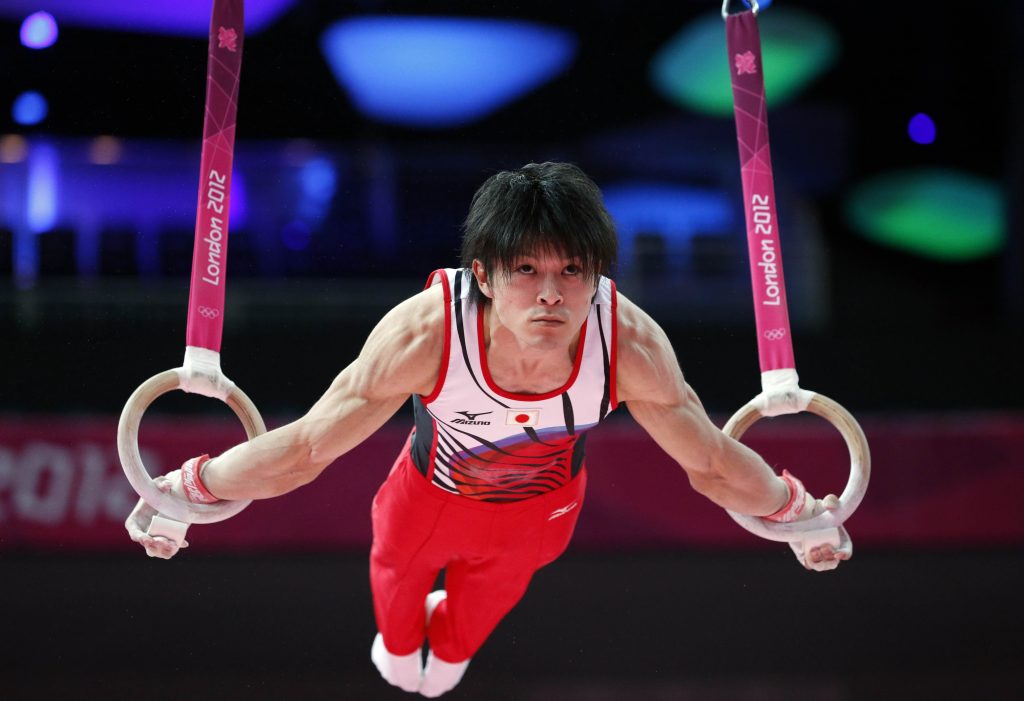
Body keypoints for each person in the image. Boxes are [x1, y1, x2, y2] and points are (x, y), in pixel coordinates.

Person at [126, 161, 852, 698]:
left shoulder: (626, 344)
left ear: (598, 274)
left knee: (452, 657)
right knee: (399, 635)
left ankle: (441, 655)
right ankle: (402, 645)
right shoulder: (425, 334)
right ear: (482, 272)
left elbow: (713, 463)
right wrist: (187, 488)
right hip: (424, 504)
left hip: (541, 518)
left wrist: (798, 511)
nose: (550, 292)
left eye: (573, 270)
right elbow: (309, 448)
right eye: (526, 269)